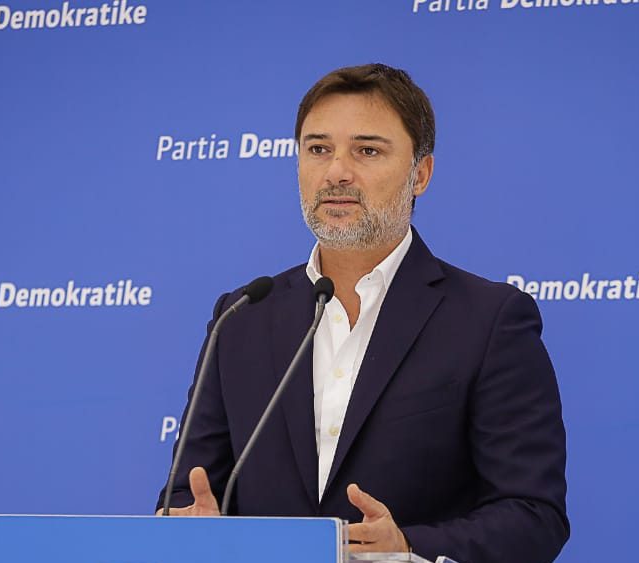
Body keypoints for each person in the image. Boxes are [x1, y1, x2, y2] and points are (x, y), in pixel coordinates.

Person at [157, 63, 569, 563]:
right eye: (318, 149)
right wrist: (188, 526)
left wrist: (409, 547)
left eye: (367, 151)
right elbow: (190, 491)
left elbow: (533, 514)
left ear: (421, 174)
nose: (336, 172)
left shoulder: (489, 320)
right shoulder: (243, 317)